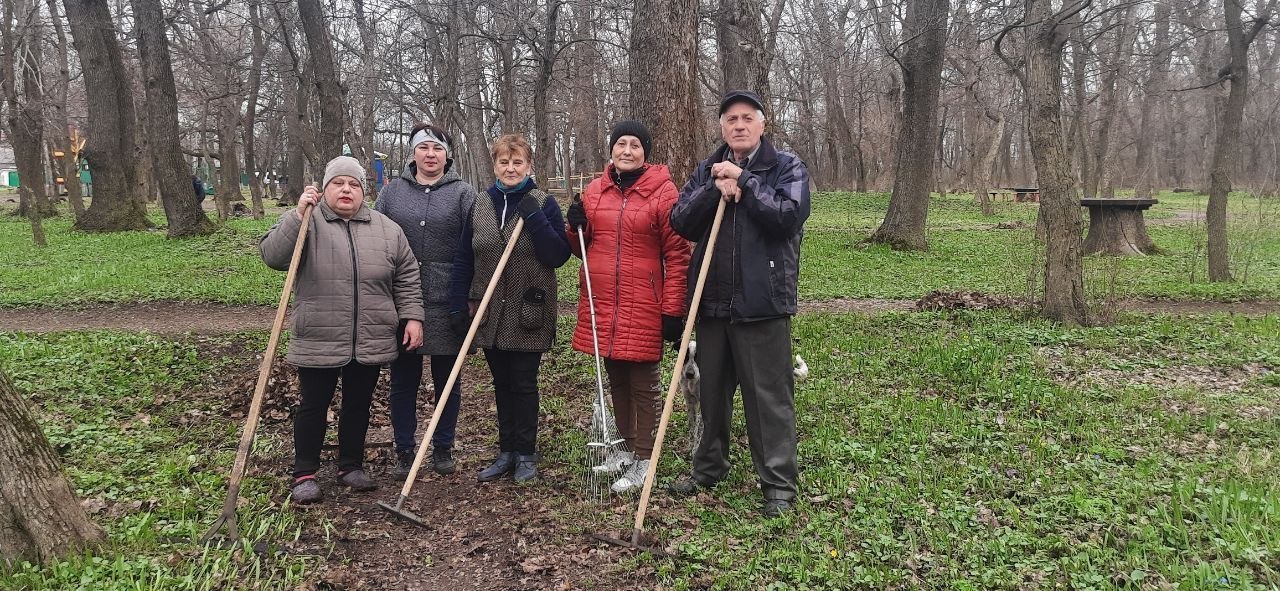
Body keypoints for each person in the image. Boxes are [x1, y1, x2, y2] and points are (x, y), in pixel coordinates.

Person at [667, 90, 811, 517]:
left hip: (762, 301)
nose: (739, 125)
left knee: (768, 398)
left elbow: (788, 216)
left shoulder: (786, 167)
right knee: (711, 393)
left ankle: (778, 485)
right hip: (711, 304)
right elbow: (680, 221)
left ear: (763, 124)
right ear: (722, 127)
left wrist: (746, 183)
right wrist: (716, 187)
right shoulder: (705, 171)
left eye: (748, 117)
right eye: (731, 119)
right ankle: (708, 468)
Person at [259, 155, 425, 504]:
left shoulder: (386, 228)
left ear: (364, 191)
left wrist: (412, 316)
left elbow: (407, 276)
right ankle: (304, 472)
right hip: (320, 334)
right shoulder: (309, 223)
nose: (346, 190)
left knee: (358, 404)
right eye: (338, 183)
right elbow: (273, 256)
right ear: (325, 188)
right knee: (313, 405)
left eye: (354, 184)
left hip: (371, 334)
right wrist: (298, 215)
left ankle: (350, 465)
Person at [565, 120, 690, 494]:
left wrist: (673, 310)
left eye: (635, 145)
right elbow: (580, 249)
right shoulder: (593, 192)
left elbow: (678, 253)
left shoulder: (663, 193)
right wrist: (573, 228)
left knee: (643, 384)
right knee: (615, 378)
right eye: (621, 143)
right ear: (611, 149)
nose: (627, 150)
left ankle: (645, 458)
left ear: (644, 153)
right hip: (603, 302)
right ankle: (623, 447)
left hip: (644, 302)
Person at [449, 134, 570, 483]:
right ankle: (506, 452)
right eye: (504, 162)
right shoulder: (481, 203)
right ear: (495, 166)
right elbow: (464, 258)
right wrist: (458, 307)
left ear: (529, 166)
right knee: (500, 383)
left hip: (527, 311)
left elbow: (557, 255)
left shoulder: (542, 202)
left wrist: (534, 219)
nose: (511, 168)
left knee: (523, 383)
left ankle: (527, 454)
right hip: (490, 312)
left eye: (517, 162)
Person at [374, 123, 477, 477]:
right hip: (400, 296)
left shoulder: (464, 193)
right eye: (424, 148)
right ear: (413, 153)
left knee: (447, 379)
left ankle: (443, 446)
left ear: (447, 155)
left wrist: (468, 297)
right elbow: (377, 236)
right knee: (404, 378)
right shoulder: (392, 193)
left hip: (449, 297)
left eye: (437, 148)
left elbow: (474, 247)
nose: (430, 154)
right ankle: (404, 448)